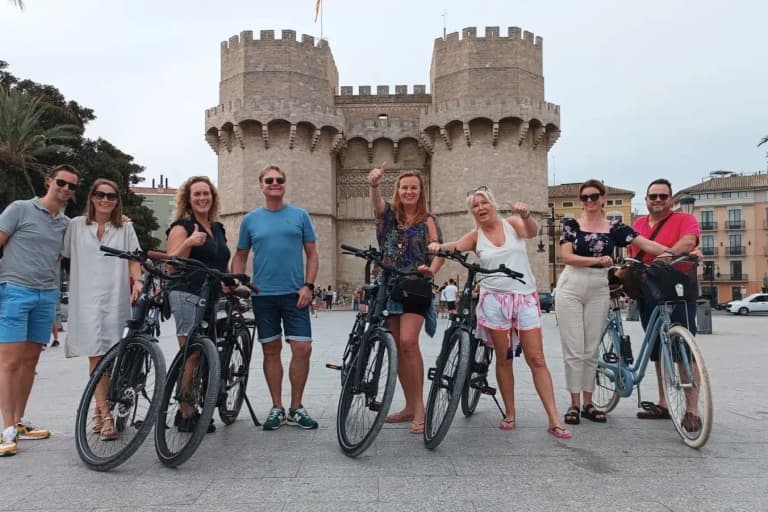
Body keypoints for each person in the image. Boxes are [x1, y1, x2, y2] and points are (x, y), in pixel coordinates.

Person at [430, 186, 572, 439]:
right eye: (475, 205)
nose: (480, 208)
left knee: (536, 358)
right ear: (471, 211)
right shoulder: (476, 236)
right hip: (494, 300)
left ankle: (554, 419)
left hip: (524, 297)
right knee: (503, 358)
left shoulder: (513, 224)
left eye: (484, 203)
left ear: (493, 205)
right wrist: (437, 247)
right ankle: (510, 412)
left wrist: (527, 215)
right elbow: (456, 246)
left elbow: (531, 232)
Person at [555, 179, 668, 426]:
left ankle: (588, 403)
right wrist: (596, 261)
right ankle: (574, 403)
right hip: (571, 285)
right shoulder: (571, 225)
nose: (589, 201)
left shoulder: (615, 227)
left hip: (599, 287)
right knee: (574, 349)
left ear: (603, 198)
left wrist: (676, 253)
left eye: (594, 196)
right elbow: (566, 256)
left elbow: (645, 244)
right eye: (584, 198)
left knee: (591, 348)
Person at [231, 165, 319, 431]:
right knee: (271, 350)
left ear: (284, 184)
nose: (274, 183)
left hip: (295, 295)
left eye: (279, 180)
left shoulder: (300, 216)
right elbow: (241, 255)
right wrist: (237, 283)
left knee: (302, 348)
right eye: (269, 180)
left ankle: (296, 407)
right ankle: (277, 407)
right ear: (261, 186)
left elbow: (312, 254)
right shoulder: (250, 220)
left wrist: (309, 286)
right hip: (263, 296)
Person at [0, 164, 79, 457]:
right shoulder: (20, 209)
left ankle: (18, 422)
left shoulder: (66, 224)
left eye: (72, 186)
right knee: (9, 362)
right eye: (62, 182)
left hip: (47, 295)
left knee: (31, 362)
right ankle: (6, 428)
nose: (66, 189)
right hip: (15, 291)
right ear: (49, 181)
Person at [62, 178, 142, 440]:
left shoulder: (125, 227)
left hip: (114, 299)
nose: (105, 200)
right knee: (96, 356)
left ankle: (98, 408)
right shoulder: (75, 226)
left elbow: (133, 259)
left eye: (111, 196)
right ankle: (106, 415)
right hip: (84, 300)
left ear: (117, 201)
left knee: (109, 356)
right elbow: (57, 251)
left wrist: (138, 282)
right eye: (100, 195)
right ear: (92, 197)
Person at [368, 163, 444, 434]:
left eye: (414, 187)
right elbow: (377, 204)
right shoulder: (388, 216)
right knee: (397, 347)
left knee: (409, 342)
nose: (409, 191)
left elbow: (439, 251)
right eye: (404, 187)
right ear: (397, 191)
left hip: (415, 286)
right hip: (388, 286)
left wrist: (430, 272)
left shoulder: (428, 220)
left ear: (421, 191)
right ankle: (410, 406)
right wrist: (375, 184)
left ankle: (420, 407)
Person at [630, 178, 700, 423]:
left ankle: (692, 411)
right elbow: (635, 257)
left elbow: (689, 242)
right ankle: (664, 402)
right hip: (648, 290)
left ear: (671, 199)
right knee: (657, 351)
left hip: (679, 289)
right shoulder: (638, 223)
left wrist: (666, 256)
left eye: (663, 196)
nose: (657, 200)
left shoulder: (685, 220)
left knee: (685, 350)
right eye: (653, 196)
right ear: (646, 199)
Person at [166, 176, 230, 434]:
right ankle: (185, 412)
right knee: (191, 353)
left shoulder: (218, 228)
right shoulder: (183, 226)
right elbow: (172, 263)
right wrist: (189, 243)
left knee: (204, 353)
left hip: (212, 295)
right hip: (186, 292)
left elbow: (220, 261)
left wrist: (228, 282)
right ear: (188, 200)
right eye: (197, 195)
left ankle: (193, 405)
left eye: (207, 194)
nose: (203, 198)